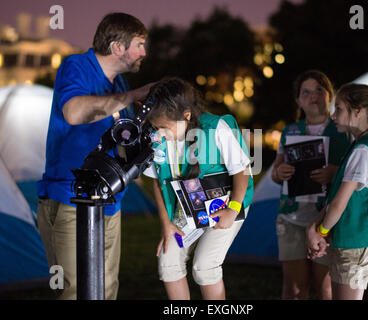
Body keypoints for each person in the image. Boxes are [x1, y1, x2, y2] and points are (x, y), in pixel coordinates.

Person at [36, 12, 154, 300]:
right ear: (117, 47)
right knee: (74, 291)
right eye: (139, 44)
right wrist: (132, 96)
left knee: (106, 289)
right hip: (69, 198)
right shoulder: (75, 66)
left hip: (110, 199)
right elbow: (74, 112)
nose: (144, 52)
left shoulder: (121, 84)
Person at [142, 77, 254, 300]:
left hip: (224, 207)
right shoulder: (158, 140)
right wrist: (166, 224)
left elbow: (242, 171)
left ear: (186, 116)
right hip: (187, 213)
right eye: (156, 127)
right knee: (168, 260)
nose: (160, 133)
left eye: (164, 127)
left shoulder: (216, 128)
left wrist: (232, 209)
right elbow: (157, 181)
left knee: (205, 266)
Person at [306, 83, 368, 300]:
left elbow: (339, 203)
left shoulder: (363, 151)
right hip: (350, 244)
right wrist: (316, 227)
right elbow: (335, 200)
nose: (333, 114)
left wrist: (319, 233)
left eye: (338, 108)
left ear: (357, 112)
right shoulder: (359, 146)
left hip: (357, 247)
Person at [271, 70, 350, 300]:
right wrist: (280, 172)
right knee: (294, 289)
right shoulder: (290, 131)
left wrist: (333, 173)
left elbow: (356, 172)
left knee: (326, 289)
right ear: (298, 100)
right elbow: (276, 173)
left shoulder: (343, 130)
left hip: (325, 219)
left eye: (319, 90)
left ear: (329, 95)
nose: (313, 96)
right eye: (306, 92)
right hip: (291, 217)